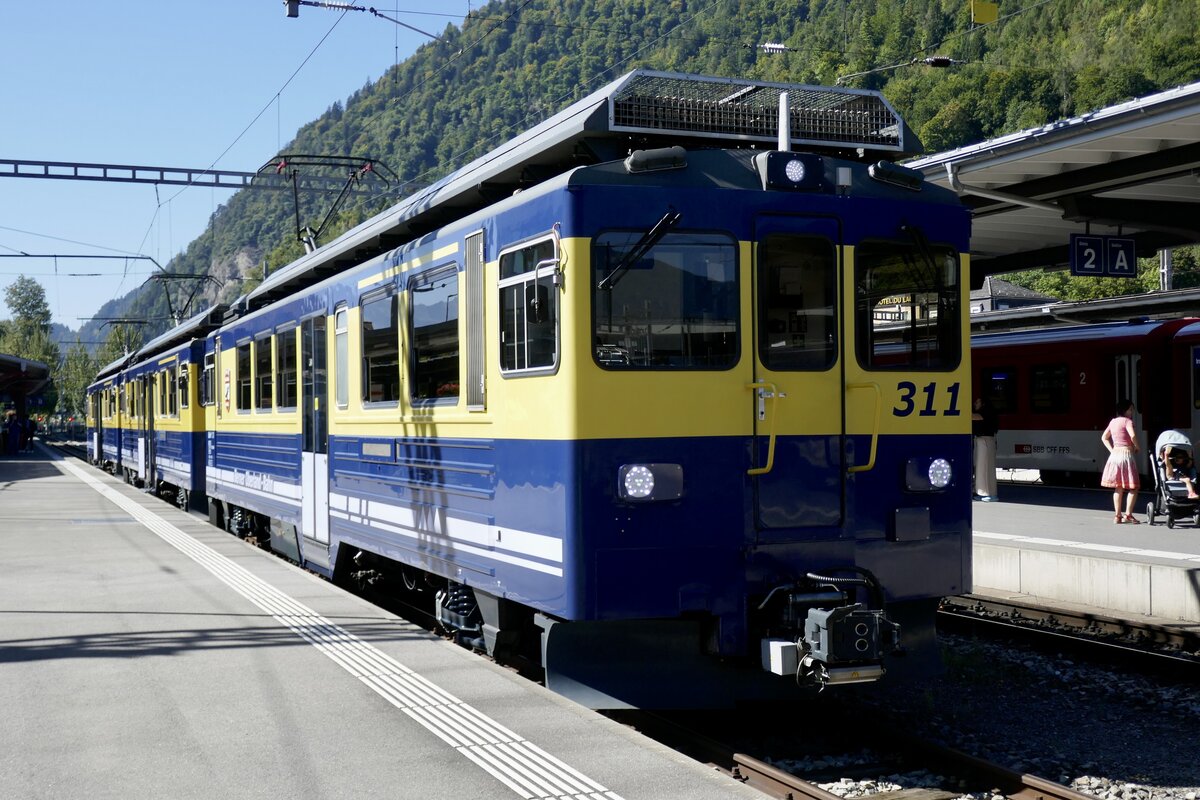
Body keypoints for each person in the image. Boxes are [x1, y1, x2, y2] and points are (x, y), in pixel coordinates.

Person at [1100, 399, 1141, 523]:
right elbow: (1132, 435)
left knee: (1118, 487)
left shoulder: (1113, 422)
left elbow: (1104, 437)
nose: (1132, 411)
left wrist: (1112, 450)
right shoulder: (1128, 421)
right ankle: (1128, 514)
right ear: (1125, 410)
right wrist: (1137, 446)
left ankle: (1117, 516)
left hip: (1114, 456)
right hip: (1126, 455)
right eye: (1130, 409)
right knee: (1133, 487)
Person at [972, 396, 999, 502]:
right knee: (981, 468)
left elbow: (975, 417)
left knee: (986, 467)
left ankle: (990, 493)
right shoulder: (987, 412)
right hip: (982, 440)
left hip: (985, 440)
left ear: (983, 404)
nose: (975, 404)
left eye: (977, 402)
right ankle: (982, 492)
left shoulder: (986, 413)